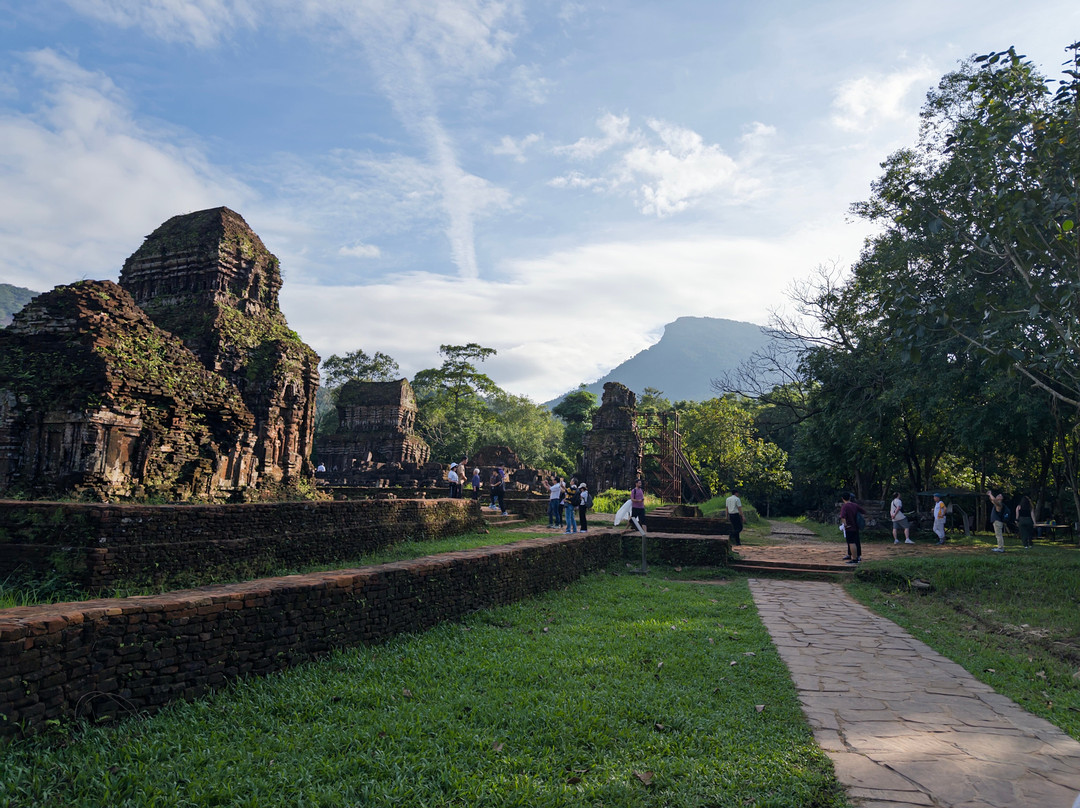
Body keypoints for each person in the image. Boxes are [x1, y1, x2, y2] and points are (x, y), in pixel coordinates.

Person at [839, 492, 865, 564]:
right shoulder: (855, 505)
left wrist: (845, 525)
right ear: (850, 498)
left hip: (849, 527)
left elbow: (842, 517)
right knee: (856, 542)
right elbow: (863, 511)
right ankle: (856, 556)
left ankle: (854, 559)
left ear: (842, 498)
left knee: (851, 543)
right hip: (856, 526)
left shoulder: (845, 506)